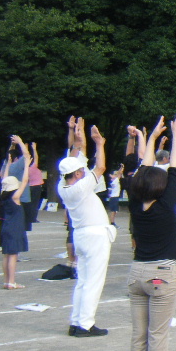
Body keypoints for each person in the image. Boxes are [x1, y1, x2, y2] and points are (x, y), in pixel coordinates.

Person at [126, 115, 176, 351]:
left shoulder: (134, 201)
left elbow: (144, 170)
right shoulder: (166, 203)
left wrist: (150, 138)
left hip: (136, 272)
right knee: (157, 337)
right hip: (161, 273)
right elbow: (174, 165)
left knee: (139, 337)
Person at [58, 117, 115, 337]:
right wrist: (100, 144)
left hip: (82, 235)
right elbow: (100, 167)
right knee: (94, 281)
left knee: (83, 281)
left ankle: (76, 321)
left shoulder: (63, 185)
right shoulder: (81, 186)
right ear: (78, 173)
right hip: (94, 235)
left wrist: (78, 140)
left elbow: (72, 161)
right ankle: (85, 324)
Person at [0, 136, 31, 289]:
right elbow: (25, 180)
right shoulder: (15, 196)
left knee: (7, 255)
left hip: (6, 227)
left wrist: (8, 160)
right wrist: (26, 165)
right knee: (13, 255)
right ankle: (12, 282)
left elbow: (3, 178)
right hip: (15, 228)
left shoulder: (3, 195)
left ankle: (7, 281)